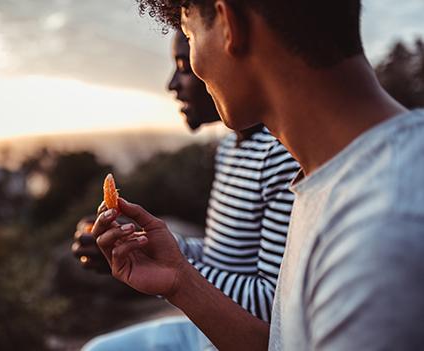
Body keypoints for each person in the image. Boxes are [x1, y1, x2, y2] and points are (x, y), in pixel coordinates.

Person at [92, 0, 424, 350]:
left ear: (227, 24)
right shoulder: (330, 180)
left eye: (190, 35)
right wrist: (179, 279)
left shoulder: (382, 235)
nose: (194, 67)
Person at [76, 30, 299, 350]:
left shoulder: (278, 154)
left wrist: (168, 268)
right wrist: (141, 240)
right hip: (203, 330)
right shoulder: (230, 149)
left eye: (184, 64)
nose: (172, 84)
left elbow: (272, 308)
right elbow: (226, 256)